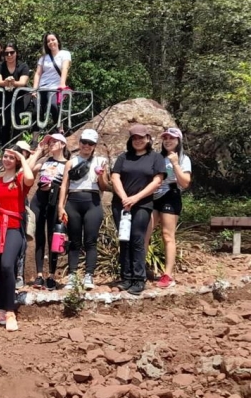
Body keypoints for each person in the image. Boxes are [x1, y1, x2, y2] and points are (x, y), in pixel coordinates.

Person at [111, 124, 166, 295]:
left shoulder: (155, 158)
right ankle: (126, 277)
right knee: (124, 239)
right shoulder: (123, 157)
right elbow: (115, 176)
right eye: (135, 138)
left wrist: (135, 198)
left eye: (141, 137)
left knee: (137, 238)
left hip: (142, 204)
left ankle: (138, 278)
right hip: (121, 204)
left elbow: (157, 181)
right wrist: (124, 197)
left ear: (148, 138)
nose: (138, 140)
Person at [0, 148, 34, 331]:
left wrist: (22, 157)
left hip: (13, 227)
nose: (7, 159)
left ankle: (9, 311)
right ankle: (0, 310)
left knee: (8, 265)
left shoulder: (20, 179)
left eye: (11, 157)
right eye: (5, 156)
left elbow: (30, 179)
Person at [57, 129, 108, 291]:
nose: (86, 146)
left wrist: (100, 175)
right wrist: (60, 206)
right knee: (74, 240)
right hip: (73, 201)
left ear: (94, 146)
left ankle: (89, 274)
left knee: (90, 240)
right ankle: (72, 275)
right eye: (84, 142)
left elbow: (104, 186)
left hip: (92, 201)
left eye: (90, 143)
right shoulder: (71, 162)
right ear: (79, 143)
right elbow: (64, 184)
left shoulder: (100, 161)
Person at [147, 127, 192, 288]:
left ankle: (168, 275)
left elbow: (185, 183)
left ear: (178, 140)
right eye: (165, 138)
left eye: (171, 138)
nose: (168, 140)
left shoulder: (183, 158)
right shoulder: (156, 157)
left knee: (167, 235)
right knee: (145, 233)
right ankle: (140, 271)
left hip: (171, 195)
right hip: (153, 195)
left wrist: (175, 164)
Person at [30, 133, 69, 290]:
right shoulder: (45, 161)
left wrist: (61, 206)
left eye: (55, 141)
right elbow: (30, 168)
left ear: (63, 144)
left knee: (54, 237)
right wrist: (39, 151)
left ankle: (52, 275)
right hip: (40, 198)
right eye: (50, 142)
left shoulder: (67, 163)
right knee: (39, 236)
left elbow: (66, 186)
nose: (51, 143)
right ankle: (39, 275)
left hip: (55, 198)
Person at [0, 43, 31, 158]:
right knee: (5, 125)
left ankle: (16, 151)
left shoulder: (23, 66)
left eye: (11, 52)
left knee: (17, 125)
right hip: (4, 99)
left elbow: (23, 83)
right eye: (6, 53)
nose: (9, 55)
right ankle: (5, 151)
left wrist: (11, 82)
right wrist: (8, 81)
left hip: (20, 98)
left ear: (16, 53)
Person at [32, 33, 71, 128]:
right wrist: (34, 89)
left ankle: (59, 130)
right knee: (37, 111)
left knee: (54, 106)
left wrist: (62, 84)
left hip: (55, 87)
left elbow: (65, 68)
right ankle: (35, 138)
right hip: (42, 87)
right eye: (48, 41)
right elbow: (38, 73)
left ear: (58, 40)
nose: (51, 42)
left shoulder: (65, 54)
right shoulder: (43, 58)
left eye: (53, 39)